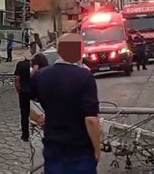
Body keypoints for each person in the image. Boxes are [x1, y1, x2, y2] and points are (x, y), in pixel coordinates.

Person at [30, 33, 101, 174]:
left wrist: (38, 117)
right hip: (80, 150)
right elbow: (91, 120)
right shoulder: (84, 76)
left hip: (53, 148)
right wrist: (97, 149)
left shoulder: (41, 76)